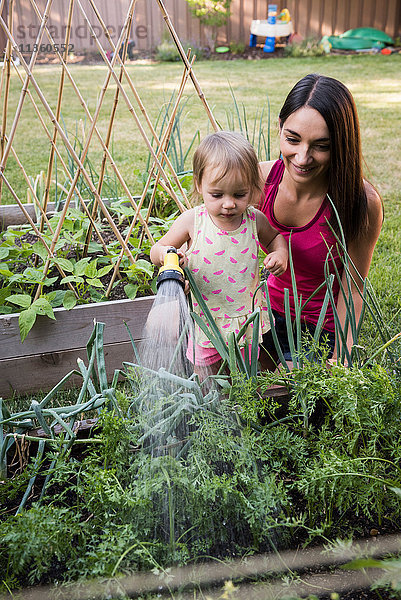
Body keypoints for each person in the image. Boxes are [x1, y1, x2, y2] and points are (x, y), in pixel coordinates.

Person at [257, 73, 383, 367]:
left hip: (315, 330)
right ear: (279, 128)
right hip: (263, 313)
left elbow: (352, 289)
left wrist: (341, 357)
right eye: (292, 139)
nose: (302, 157)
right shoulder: (259, 182)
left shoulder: (360, 203)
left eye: (321, 146)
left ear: (341, 143)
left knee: (288, 386)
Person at [150, 130, 288, 374]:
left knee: (246, 373)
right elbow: (157, 249)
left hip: (245, 319)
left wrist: (279, 254)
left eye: (239, 194)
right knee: (207, 375)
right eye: (217, 194)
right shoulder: (193, 221)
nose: (228, 203)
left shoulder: (254, 220)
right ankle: (210, 406)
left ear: (252, 188)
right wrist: (167, 255)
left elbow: (276, 238)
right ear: (199, 184)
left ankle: (242, 404)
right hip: (208, 320)